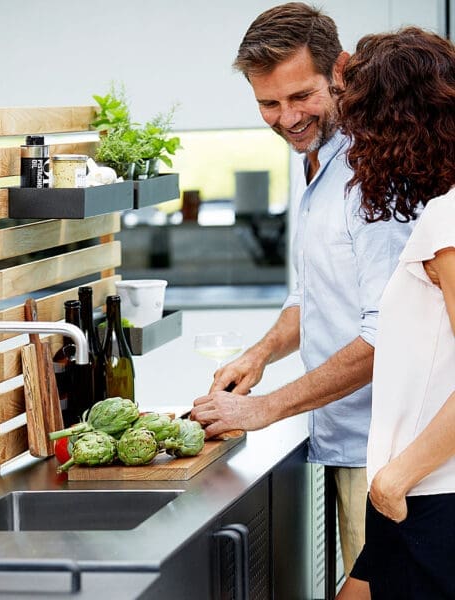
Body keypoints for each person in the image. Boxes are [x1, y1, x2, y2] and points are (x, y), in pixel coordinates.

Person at [190, 2, 414, 575]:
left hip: (389, 455)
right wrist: (260, 354)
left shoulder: (373, 173)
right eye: (269, 102)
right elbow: (311, 294)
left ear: (339, 70)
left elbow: (387, 334)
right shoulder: (314, 159)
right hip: (344, 444)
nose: (287, 117)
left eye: (301, 96)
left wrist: (265, 409)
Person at [333, 27, 455, 599]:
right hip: (410, 484)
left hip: (427, 492)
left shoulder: (448, 221)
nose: (355, 147)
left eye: (361, 128)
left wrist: (395, 478)